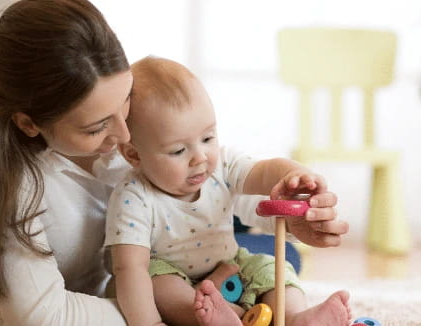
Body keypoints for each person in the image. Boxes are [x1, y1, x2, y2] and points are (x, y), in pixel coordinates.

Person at [0, 0, 347, 325]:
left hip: (189, 237)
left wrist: (292, 206)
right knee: (195, 283)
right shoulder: (12, 191)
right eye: (96, 128)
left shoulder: (131, 132)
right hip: (144, 275)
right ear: (30, 123)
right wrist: (162, 312)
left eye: (125, 103)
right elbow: (46, 316)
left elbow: (219, 179)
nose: (126, 139)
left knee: (278, 262)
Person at [104, 56, 352, 326]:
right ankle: (224, 319)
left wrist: (294, 174)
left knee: (272, 268)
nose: (200, 157)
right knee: (155, 283)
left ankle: (295, 317)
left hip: (231, 265)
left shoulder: (221, 165)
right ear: (133, 154)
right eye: (178, 150)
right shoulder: (133, 196)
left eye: (208, 138)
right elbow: (130, 267)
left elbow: (263, 171)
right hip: (177, 278)